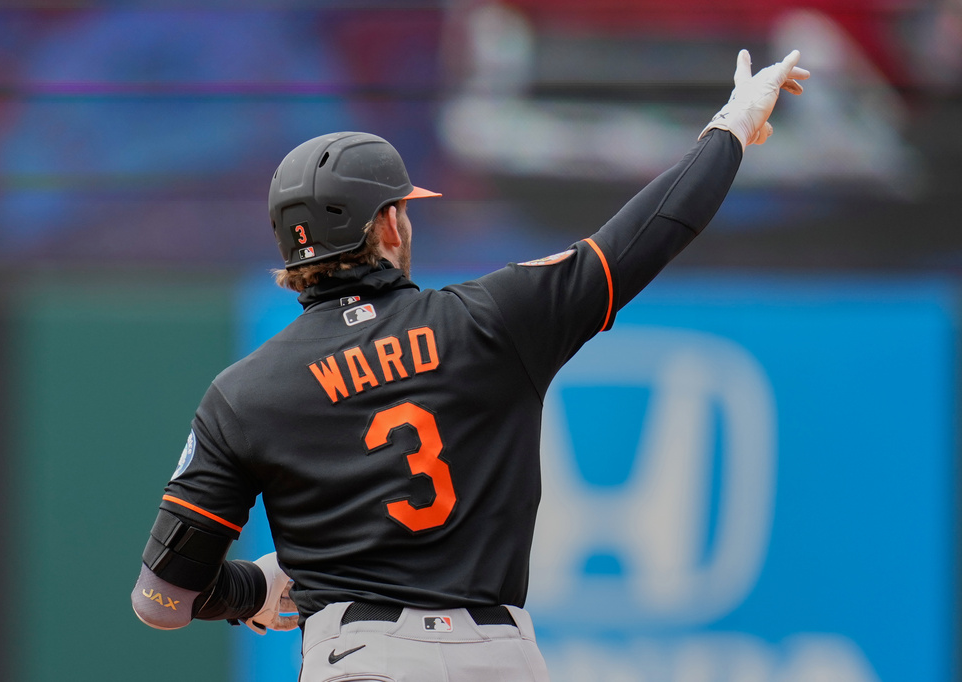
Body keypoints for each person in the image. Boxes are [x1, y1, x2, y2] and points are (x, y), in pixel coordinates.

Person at [132, 49, 809, 681]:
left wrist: (254, 588)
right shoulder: (493, 319)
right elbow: (651, 231)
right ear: (388, 226)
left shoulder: (243, 394)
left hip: (358, 657)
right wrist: (733, 125)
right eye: (402, 209)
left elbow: (161, 600)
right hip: (498, 658)